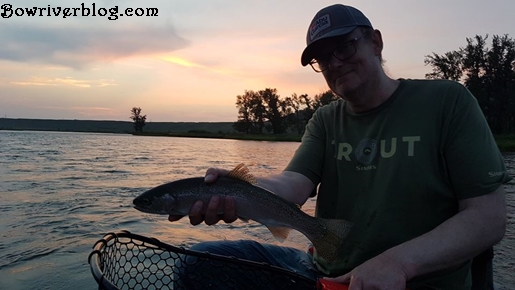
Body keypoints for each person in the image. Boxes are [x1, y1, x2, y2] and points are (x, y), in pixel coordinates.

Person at [168, 4, 511, 290]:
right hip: (323, 274)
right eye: (322, 58)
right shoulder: (325, 120)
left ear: (375, 43)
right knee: (195, 266)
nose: (334, 63)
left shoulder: (447, 101)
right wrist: (240, 189)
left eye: (344, 47)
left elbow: (488, 218)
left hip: (417, 280)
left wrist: (397, 264)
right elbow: (292, 185)